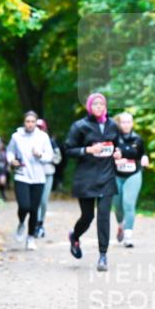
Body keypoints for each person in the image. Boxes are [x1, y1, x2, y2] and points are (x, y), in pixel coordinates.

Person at [65, 92, 121, 272]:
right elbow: (68, 149)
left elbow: (118, 145)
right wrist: (87, 150)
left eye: (101, 104)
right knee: (87, 217)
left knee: (104, 216)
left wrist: (119, 153)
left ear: (105, 106)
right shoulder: (80, 126)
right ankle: (75, 236)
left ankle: (103, 256)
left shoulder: (113, 125)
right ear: (89, 106)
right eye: (95, 104)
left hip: (107, 177)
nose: (99, 107)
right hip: (86, 178)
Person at [6, 112, 54, 250]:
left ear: (36, 122)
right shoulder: (16, 137)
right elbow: (9, 152)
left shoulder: (43, 137)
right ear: (24, 122)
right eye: (27, 121)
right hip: (21, 175)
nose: (30, 124)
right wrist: (11, 160)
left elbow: (50, 156)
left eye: (33, 121)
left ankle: (31, 238)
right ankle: (21, 222)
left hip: (38, 177)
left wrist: (40, 155)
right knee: (24, 206)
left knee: (34, 209)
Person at [113, 112, 149, 248]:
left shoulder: (138, 139)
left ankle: (128, 236)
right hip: (117, 176)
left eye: (129, 122)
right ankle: (121, 226)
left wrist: (145, 158)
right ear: (119, 123)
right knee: (118, 207)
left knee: (128, 203)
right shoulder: (114, 138)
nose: (126, 124)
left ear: (132, 123)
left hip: (133, 175)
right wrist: (114, 160)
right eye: (123, 122)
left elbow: (143, 153)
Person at [34, 118, 63, 239]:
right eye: (38, 128)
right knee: (34, 202)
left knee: (43, 201)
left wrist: (48, 158)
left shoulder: (51, 141)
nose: (39, 130)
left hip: (47, 174)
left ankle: (41, 223)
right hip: (34, 175)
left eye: (41, 128)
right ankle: (34, 224)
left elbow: (58, 157)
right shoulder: (30, 141)